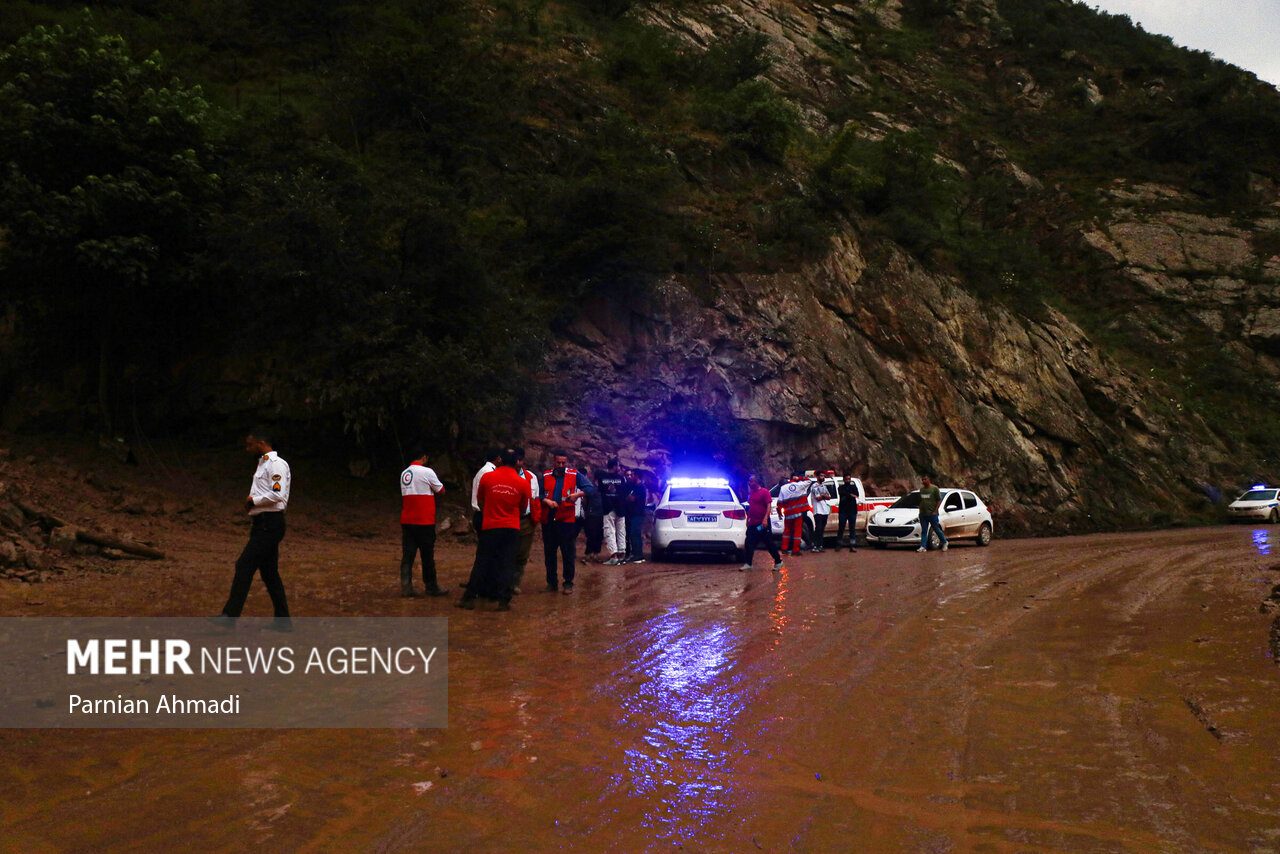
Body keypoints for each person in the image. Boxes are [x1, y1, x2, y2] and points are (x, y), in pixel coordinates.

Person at [214, 429, 291, 626]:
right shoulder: (263, 464)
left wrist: (253, 501)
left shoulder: (276, 465)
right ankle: (283, 621)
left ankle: (229, 617)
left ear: (261, 442)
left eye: (250, 444)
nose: (248, 449)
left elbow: (277, 495)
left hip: (269, 524)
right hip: (263, 524)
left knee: (244, 565)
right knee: (269, 573)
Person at [459, 449, 530, 610]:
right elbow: (523, 508)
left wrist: (491, 512)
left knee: (482, 561)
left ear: (500, 460)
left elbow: (481, 500)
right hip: (511, 527)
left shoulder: (488, 477)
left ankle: (469, 598)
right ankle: (503, 601)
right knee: (507, 563)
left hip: (490, 525)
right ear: (516, 463)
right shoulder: (522, 483)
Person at [398, 446, 447, 598]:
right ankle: (431, 586)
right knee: (427, 556)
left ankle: (406, 587)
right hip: (424, 521)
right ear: (424, 457)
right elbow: (441, 490)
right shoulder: (427, 472)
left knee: (408, 555)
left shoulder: (404, 473)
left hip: (407, 520)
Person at [543, 452, 592, 593]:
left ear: (567, 462)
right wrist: (545, 500)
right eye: (558, 463)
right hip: (549, 518)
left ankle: (568, 583)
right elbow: (538, 494)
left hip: (567, 519)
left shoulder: (574, 474)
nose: (561, 465)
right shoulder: (546, 475)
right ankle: (551, 583)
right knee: (549, 553)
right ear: (554, 462)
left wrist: (578, 494)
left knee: (568, 553)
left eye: (563, 463)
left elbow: (590, 488)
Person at [512, 446, 541, 594]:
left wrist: (535, 518)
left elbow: (535, 498)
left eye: (518, 460)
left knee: (522, 553)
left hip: (526, 520)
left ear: (522, 461)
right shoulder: (502, 475)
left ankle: (515, 582)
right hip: (507, 519)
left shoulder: (531, 477)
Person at [740, 474, 784, 572]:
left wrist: (765, 519)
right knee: (748, 543)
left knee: (769, 543)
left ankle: (778, 561)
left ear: (757, 482)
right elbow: (751, 507)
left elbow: (768, 506)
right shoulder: (751, 493)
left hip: (763, 523)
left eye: (751, 481)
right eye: (749, 481)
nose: (749, 483)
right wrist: (748, 520)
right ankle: (748, 563)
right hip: (752, 522)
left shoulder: (765, 492)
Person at [597, 458, 628, 565]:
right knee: (621, 531)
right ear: (614, 466)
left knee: (609, 531)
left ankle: (614, 556)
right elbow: (625, 493)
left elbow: (600, 491)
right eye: (618, 466)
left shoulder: (602, 478)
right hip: (620, 508)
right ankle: (621, 555)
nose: (619, 468)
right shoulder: (622, 479)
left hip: (608, 507)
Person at [777, 473, 812, 556]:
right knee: (797, 531)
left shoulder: (782, 489)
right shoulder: (798, 485)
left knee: (786, 531)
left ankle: (784, 549)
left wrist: (779, 514)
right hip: (798, 513)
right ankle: (795, 550)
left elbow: (779, 503)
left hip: (788, 513)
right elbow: (809, 480)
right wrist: (799, 478)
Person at [470, 447, 503, 534]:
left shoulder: (484, 470)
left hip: (482, 514)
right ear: (498, 459)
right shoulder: (488, 472)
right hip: (484, 514)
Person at [917, 474, 949, 553]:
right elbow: (921, 501)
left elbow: (938, 500)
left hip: (932, 514)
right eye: (922, 480)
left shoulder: (934, 488)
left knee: (936, 528)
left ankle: (944, 542)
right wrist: (920, 511)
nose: (923, 481)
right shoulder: (922, 490)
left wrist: (935, 510)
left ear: (928, 480)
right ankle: (923, 546)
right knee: (924, 530)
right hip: (923, 514)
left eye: (925, 479)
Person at [622, 468, 648, 563]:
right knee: (630, 534)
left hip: (638, 514)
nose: (630, 477)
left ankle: (638, 555)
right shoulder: (630, 486)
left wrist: (628, 497)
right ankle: (633, 553)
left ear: (637, 476)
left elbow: (631, 498)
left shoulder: (640, 487)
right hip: (630, 514)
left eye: (632, 475)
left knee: (635, 533)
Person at [580, 466, 604, 563]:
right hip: (592, 514)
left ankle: (595, 554)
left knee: (599, 535)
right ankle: (589, 554)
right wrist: (587, 511)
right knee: (592, 535)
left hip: (600, 514)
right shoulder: (590, 488)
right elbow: (585, 500)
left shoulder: (603, 489)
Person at [808, 470, 832, 553]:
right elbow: (817, 498)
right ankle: (815, 545)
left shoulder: (824, 486)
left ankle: (820, 545)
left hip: (824, 510)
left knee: (822, 529)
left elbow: (829, 497)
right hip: (818, 510)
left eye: (823, 475)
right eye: (821, 476)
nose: (823, 477)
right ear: (817, 477)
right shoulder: (814, 486)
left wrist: (823, 496)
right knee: (818, 528)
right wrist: (823, 496)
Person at [836, 474, 860, 552]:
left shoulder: (853, 487)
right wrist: (850, 495)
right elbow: (842, 494)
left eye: (849, 479)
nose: (848, 481)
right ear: (844, 479)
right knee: (841, 528)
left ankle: (852, 545)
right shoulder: (840, 487)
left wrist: (848, 495)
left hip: (852, 510)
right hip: (843, 510)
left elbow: (856, 495)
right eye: (846, 479)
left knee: (852, 528)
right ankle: (839, 544)